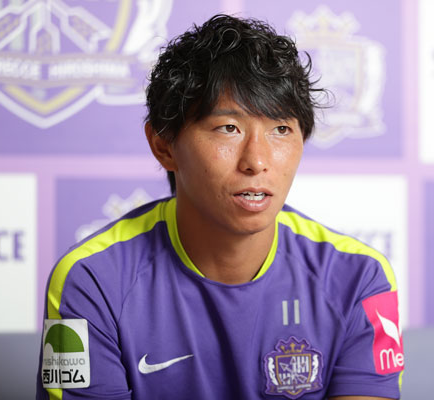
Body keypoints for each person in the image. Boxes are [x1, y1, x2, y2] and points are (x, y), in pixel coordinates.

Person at [36, 14, 404, 400]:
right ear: (164, 145)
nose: (257, 161)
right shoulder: (91, 280)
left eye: (281, 129)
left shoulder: (358, 277)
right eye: (229, 128)